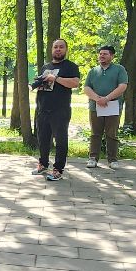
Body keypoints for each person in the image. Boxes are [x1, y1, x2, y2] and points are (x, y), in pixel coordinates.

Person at [33, 38, 80, 180]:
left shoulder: (70, 66)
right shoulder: (45, 66)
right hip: (43, 109)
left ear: (66, 50)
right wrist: (37, 84)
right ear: (51, 49)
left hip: (60, 110)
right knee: (43, 138)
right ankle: (43, 164)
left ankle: (58, 169)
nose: (58, 49)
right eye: (55, 47)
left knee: (60, 141)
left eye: (61, 47)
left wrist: (56, 78)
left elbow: (75, 83)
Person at [84, 43, 129, 170]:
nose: (101, 56)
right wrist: (98, 99)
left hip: (113, 106)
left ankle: (112, 160)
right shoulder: (93, 71)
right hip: (95, 107)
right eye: (100, 54)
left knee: (112, 134)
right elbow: (86, 88)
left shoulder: (119, 69)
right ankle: (93, 158)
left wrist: (107, 98)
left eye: (105, 54)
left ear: (112, 56)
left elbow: (123, 86)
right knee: (95, 134)